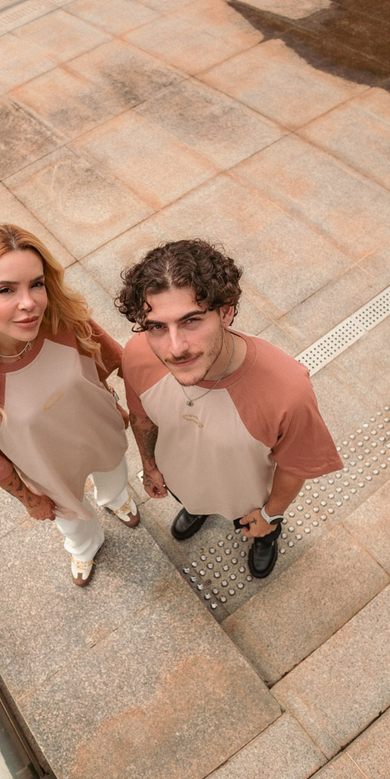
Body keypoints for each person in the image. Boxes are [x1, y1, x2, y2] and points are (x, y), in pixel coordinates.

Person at [116, 239, 342, 579]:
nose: (175, 348)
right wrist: (150, 466)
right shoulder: (137, 354)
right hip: (181, 477)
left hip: (248, 499)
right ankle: (197, 507)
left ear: (225, 311)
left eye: (191, 321)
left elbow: (295, 465)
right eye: (157, 327)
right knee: (192, 499)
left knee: (257, 526)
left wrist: (270, 516)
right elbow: (142, 417)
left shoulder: (288, 390)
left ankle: (265, 539)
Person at [0, 223, 138, 587]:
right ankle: (85, 547)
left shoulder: (65, 320)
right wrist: (28, 499)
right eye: (6, 290)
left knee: (114, 473)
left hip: (99, 434)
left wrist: (114, 402)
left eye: (36, 284)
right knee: (73, 522)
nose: (29, 303)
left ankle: (116, 499)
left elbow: (104, 364)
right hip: (47, 470)